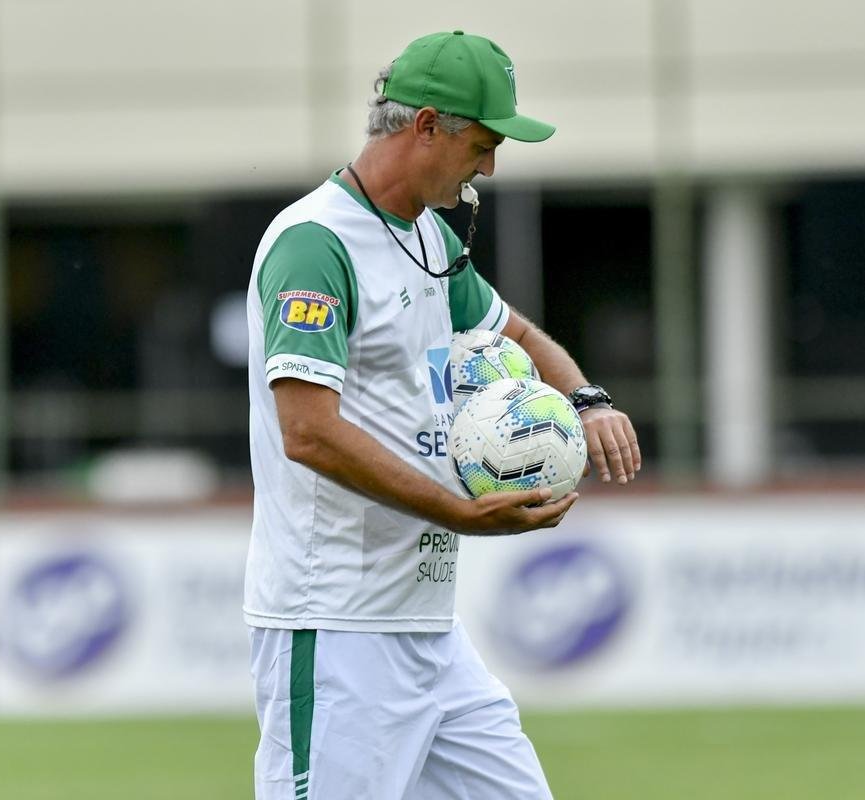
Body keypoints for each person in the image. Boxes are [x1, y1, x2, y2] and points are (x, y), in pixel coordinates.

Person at [244, 30, 640, 800]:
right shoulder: (316, 244)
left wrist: (587, 402)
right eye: (482, 144)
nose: (489, 166)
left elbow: (515, 333)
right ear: (426, 126)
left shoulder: (425, 237)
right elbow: (308, 432)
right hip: (336, 629)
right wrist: (461, 513)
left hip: (428, 630)